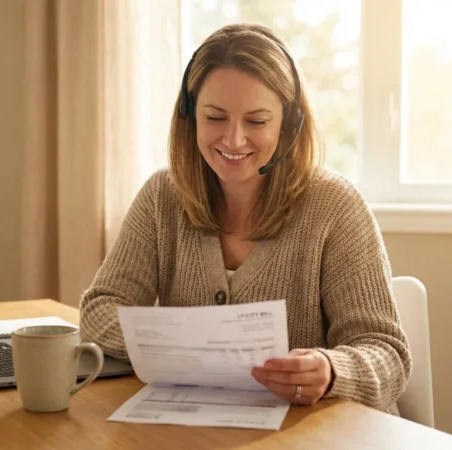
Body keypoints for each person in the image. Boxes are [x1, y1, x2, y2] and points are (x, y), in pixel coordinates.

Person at [79, 23, 412, 415]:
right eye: (215, 118)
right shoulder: (161, 197)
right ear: (189, 116)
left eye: (256, 122)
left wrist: (331, 371)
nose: (234, 140)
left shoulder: (335, 207)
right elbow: (99, 310)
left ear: (289, 125)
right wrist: (189, 347)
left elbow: (387, 353)